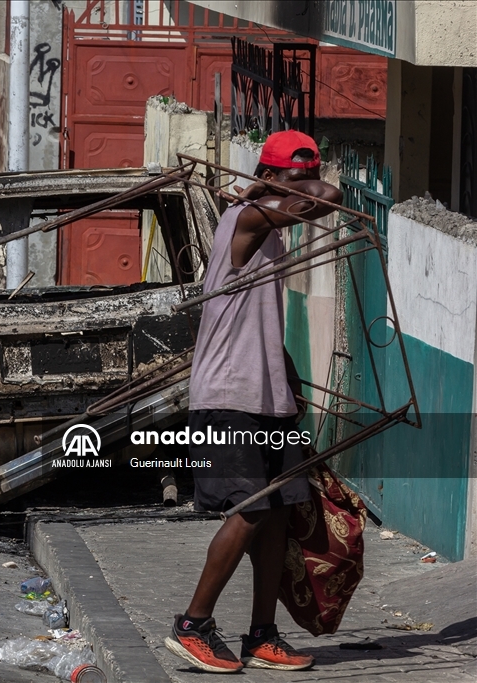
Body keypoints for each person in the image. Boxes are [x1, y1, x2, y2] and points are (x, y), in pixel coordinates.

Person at [164, 130, 342, 673]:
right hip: (227, 394)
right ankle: (192, 624)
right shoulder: (245, 221)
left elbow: (259, 319)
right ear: (269, 179)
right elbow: (327, 197)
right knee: (250, 509)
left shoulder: (270, 226)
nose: (303, 190)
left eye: (304, 177)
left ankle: (262, 634)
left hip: (267, 396)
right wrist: (287, 190)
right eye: (293, 180)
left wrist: (285, 373)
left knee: (280, 512)